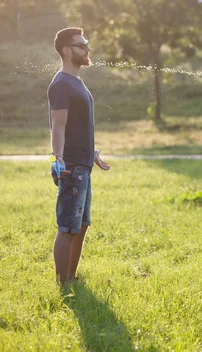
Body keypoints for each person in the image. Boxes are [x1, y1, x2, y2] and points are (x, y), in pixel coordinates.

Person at [47, 27, 111, 285]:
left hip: (83, 163)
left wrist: (91, 150)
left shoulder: (76, 81)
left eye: (86, 44)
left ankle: (72, 278)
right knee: (68, 228)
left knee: (81, 226)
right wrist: (58, 158)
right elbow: (58, 125)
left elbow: (76, 124)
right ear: (66, 50)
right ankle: (63, 283)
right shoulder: (62, 84)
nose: (87, 49)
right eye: (81, 44)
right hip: (72, 167)